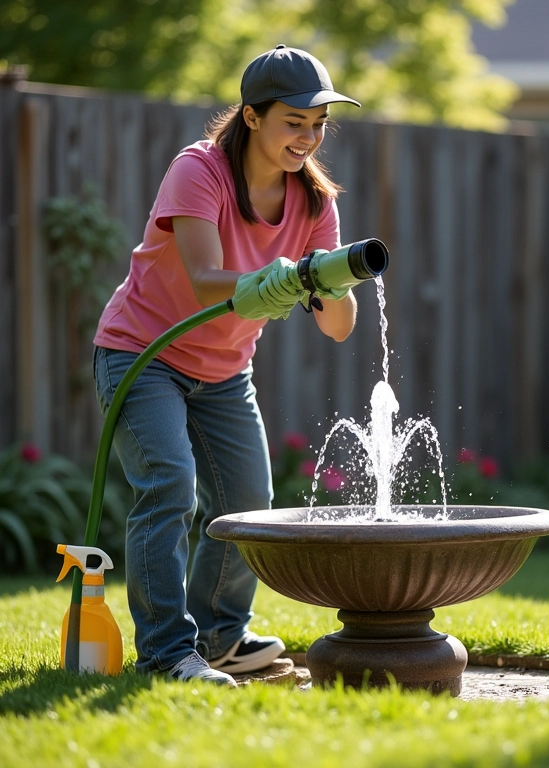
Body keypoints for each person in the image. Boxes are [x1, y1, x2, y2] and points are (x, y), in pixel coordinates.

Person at [93, 45, 361, 687]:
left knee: (248, 505)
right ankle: (166, 652)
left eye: (319, 123)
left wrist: (333, 284)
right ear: (251, 116)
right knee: (170, 486)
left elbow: (339, 328)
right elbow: (208, 280)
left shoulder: (315, 203)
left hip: (222, 370)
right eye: (294, 121)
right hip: (144, 354)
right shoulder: (200, 170)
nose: (309, 136)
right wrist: (281, 277)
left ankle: (220, 636)